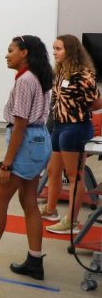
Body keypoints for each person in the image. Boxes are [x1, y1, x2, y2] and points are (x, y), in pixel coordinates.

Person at [0, 36, 52, 280]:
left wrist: (6, 164)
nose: (7, 55)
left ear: (24, 53)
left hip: (26, 143)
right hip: (40, 140)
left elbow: (19, 124)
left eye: (11, 51)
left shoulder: (25, 80)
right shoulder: (40, 76)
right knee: (29, 200)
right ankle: (35, 261)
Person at [40, 34, 99, 234]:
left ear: (71, 51)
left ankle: (71, 222)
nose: (54, 52)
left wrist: (78, 107)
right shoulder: (60, 72)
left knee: (74, 176)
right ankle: (50, 210)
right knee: (52, 171)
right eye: (54, 48)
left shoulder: (82, 74)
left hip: (76, 128)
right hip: (59, 126)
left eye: (59, 49)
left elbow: (97, 102)